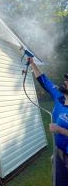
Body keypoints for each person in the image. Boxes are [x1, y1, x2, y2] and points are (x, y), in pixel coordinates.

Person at [28, 57, 68, 186]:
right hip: (59, 152)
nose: (65, 81)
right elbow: (44, 80)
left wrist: (59, 130)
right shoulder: (59, 97)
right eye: (66, 79)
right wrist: (32, 63)